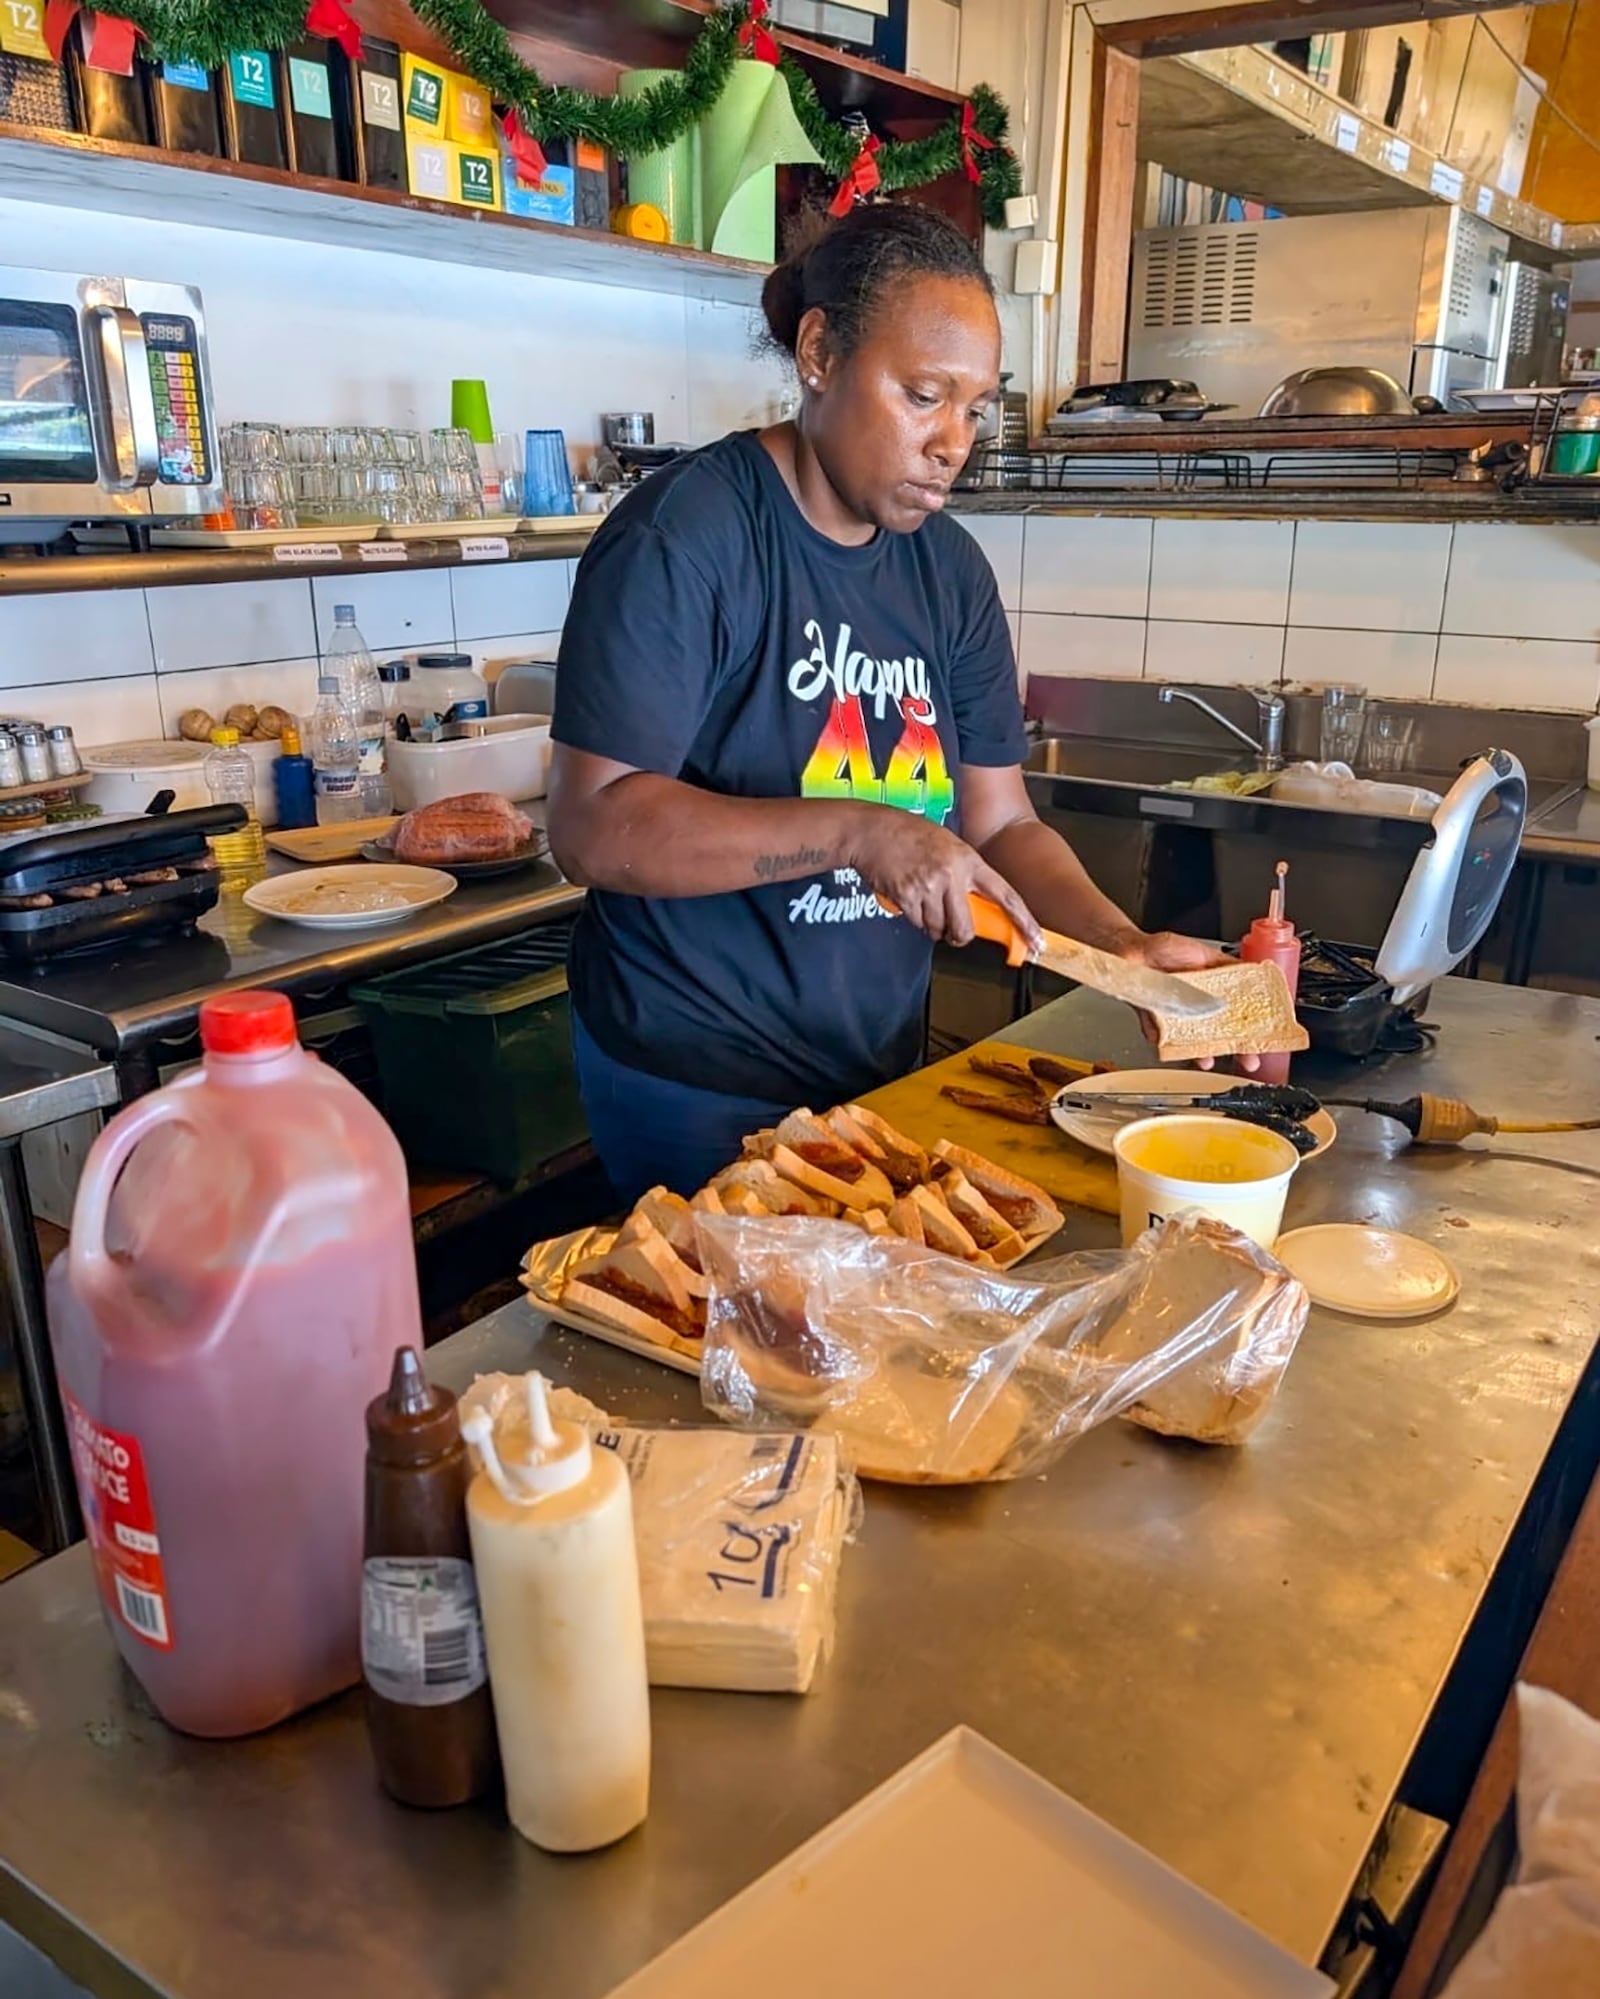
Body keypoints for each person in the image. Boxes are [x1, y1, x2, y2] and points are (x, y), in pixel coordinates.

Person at [550, 202, 1229, 1206]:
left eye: (974, 409)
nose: (951, 442)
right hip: (692, 1074)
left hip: (873, 1063)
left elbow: (1000, 821)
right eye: (922, 396)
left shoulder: (947, 573)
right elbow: (593, 827)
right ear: (820, 352)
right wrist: (859, 833)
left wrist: (1116, 948)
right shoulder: (688, 537)